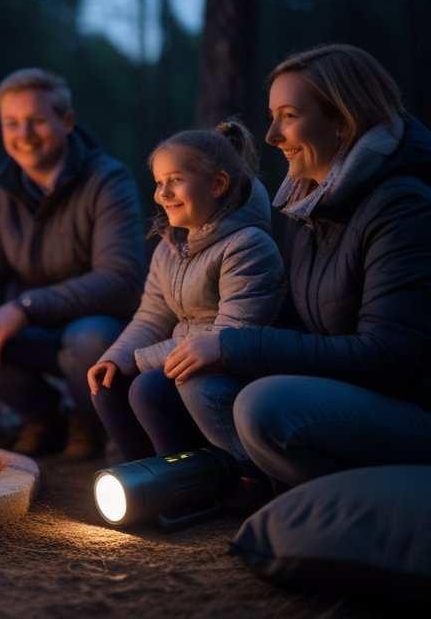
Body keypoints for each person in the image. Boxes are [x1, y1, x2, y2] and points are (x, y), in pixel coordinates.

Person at [164, 44, 431, 490]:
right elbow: (300, 319)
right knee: (200, 383)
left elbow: (388, 355)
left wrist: (234, 346)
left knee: (263, 406)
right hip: (351, 391)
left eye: (288, 115)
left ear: (343, 121)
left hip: (409, 407)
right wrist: (214, 344)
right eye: (272, 116)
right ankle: (252, 487)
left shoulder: (402, 206)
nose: (271, 135)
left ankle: (351, 506)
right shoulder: (311, 202)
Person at [0, 68, 147, 460]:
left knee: (87, 339)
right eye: (12, 123)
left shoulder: (107, 179)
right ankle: (43, 418)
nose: (24, 134)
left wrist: (25, 308)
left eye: (37, 120)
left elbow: (121, 278)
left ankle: (89, 422)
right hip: (36, 328)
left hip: (102, 321)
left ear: (67, 121)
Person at [87, 121, 286, 466]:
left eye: (175, 180)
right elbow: (152, 314)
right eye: (159, 182)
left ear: (218, 184)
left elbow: (233, 335)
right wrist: (118, 357)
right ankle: (144, 478)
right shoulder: (170, 246)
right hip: (181, 362)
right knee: (108, 383)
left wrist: (142, 360)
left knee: (147, 387)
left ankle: (213, 476)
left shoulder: (248, 246)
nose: (162, 193)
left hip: (231, 370)